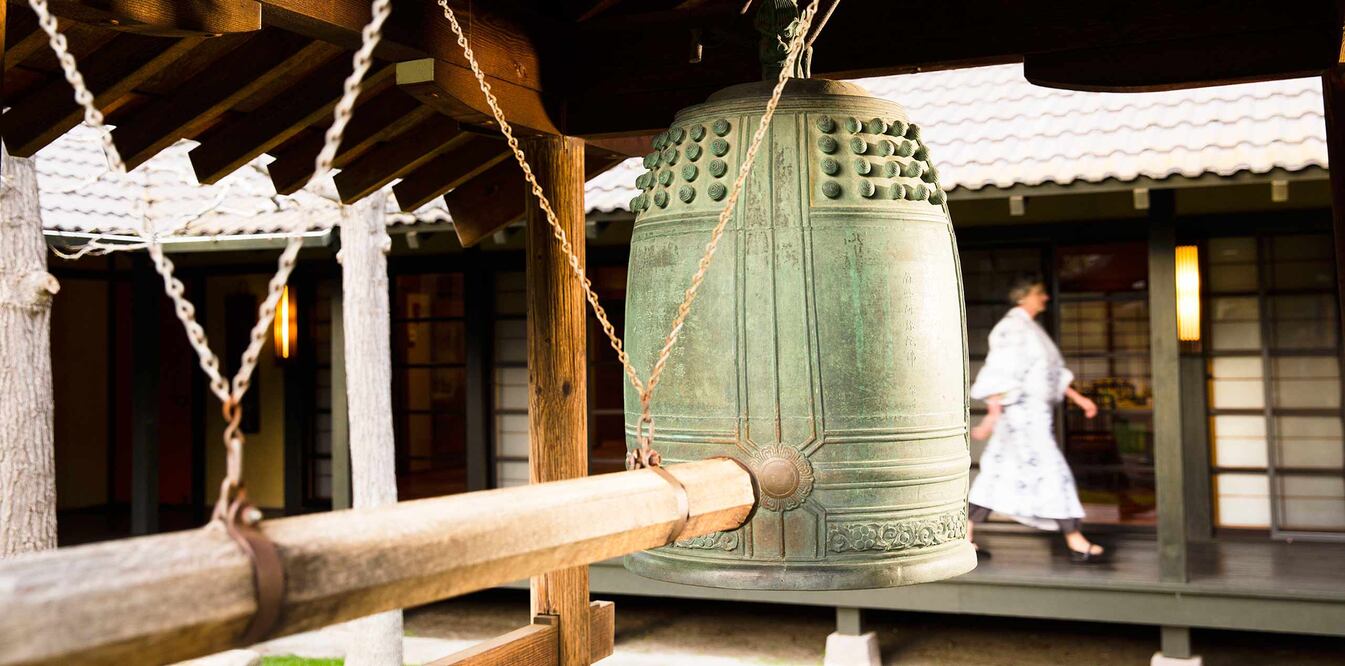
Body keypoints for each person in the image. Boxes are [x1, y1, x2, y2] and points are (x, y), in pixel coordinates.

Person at [967, 275, 1107, 563]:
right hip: (1020, 416)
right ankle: (1075, 540)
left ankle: (965, 539)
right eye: (1039, 294)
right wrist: (992, 417)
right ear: (1023, 297)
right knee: (1052, 470)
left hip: (1032, 415)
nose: (1045, 298)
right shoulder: (1012, 329)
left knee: (995, 474)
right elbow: (1000, 373)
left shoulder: (1030, 329)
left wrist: (1079, 399)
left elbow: (1048, 374)